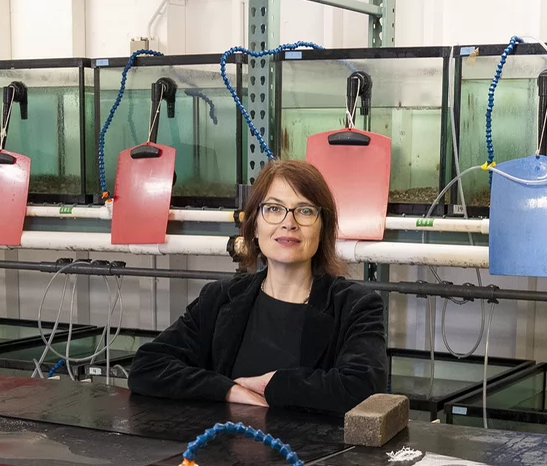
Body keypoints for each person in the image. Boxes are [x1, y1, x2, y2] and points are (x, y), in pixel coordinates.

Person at [129, 159, 386, 414]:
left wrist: (274, 386)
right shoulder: (219, 299)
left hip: (311, 454)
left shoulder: (355, 306)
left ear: (323, 229)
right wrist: (227, 390)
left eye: (305, 210)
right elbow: (148, 365)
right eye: (274, 209)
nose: (289, 222)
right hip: (225, 450)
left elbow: (364, 389)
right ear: (253, 226)